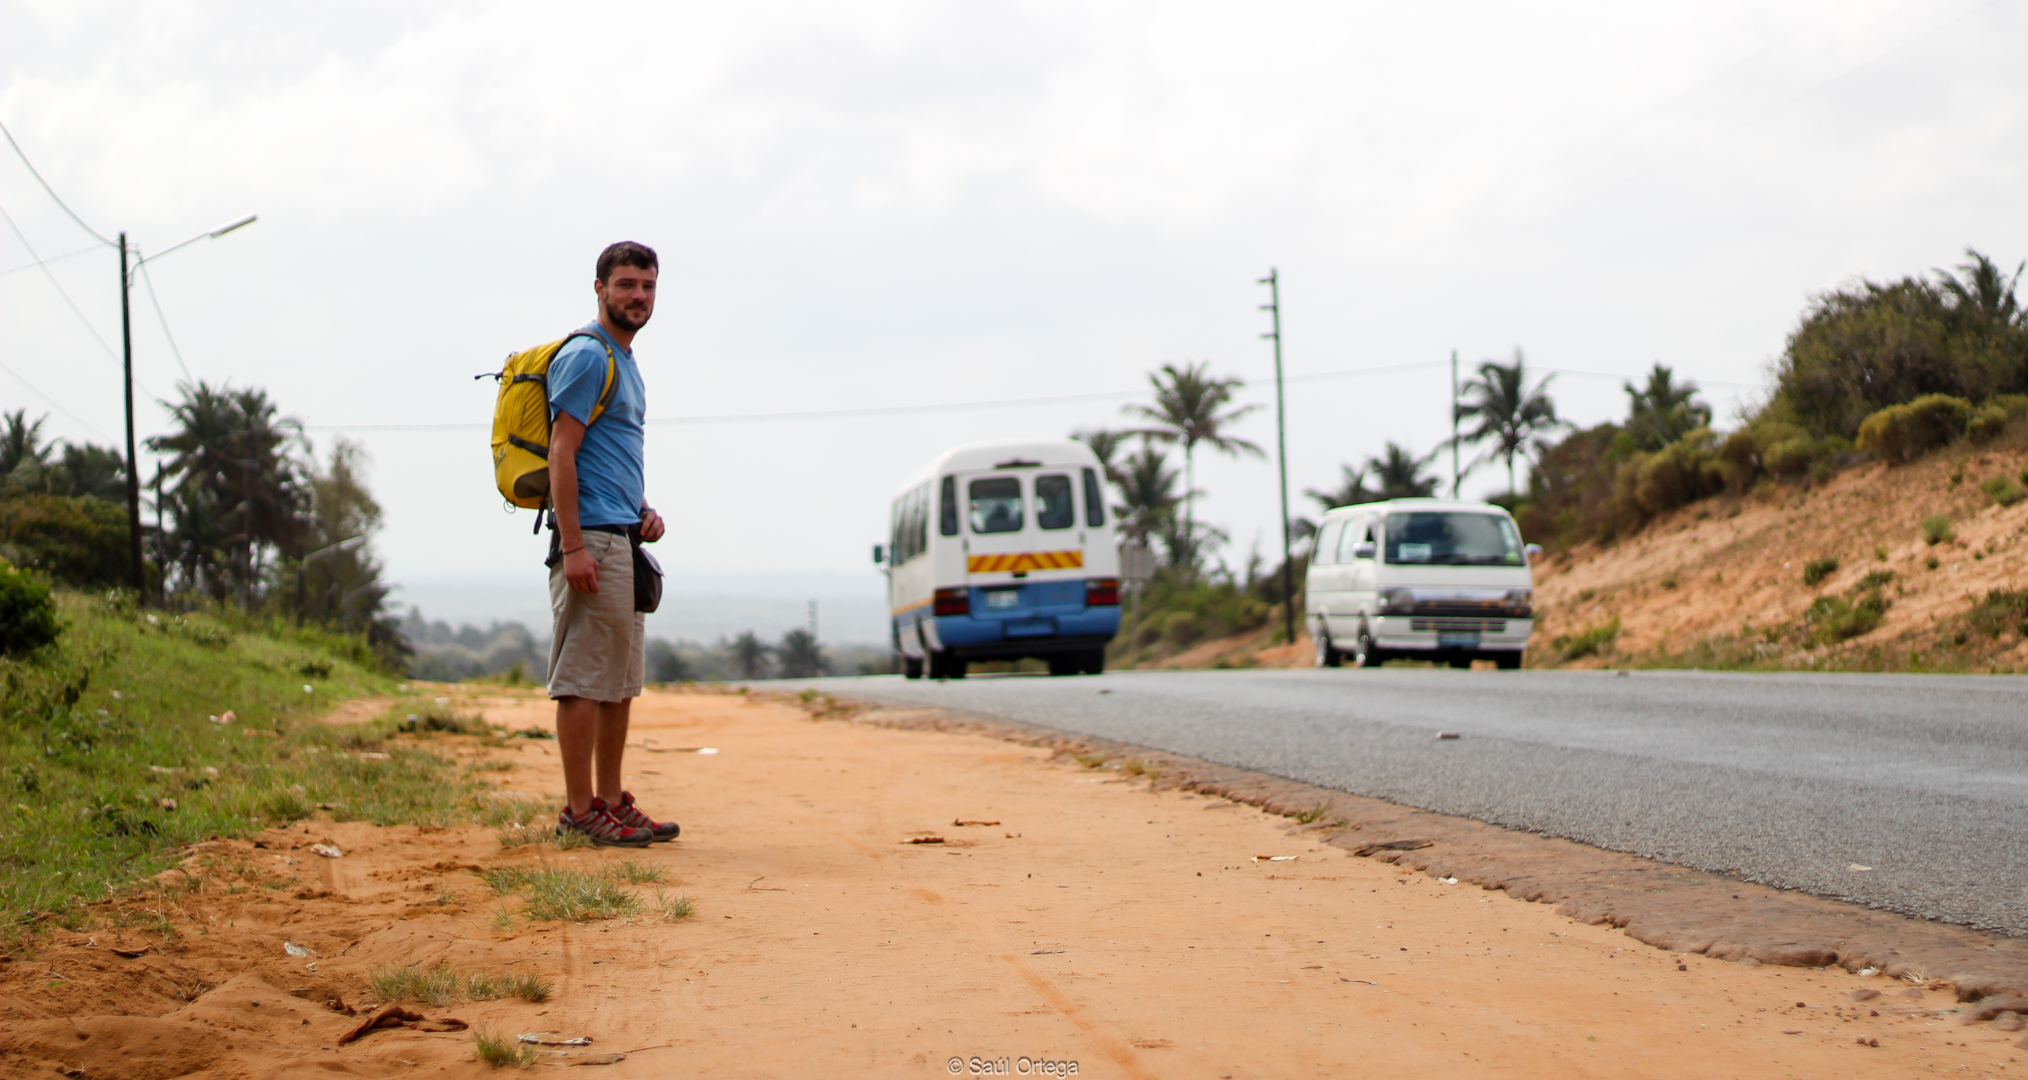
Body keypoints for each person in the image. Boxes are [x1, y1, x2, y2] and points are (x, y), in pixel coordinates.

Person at [545, 240, 679, 847]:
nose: (638, 297)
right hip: (591, 542)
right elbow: (561, 452)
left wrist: (643, 511)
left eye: (647, 287)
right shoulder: (587, 356)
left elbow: (610, 456)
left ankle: (611, 800)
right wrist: (572, 547)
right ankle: (580, 809)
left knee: (620, 682)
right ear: (599, 288)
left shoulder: (626, 360)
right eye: (626, 285)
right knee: (583, 679)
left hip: (620, 535)